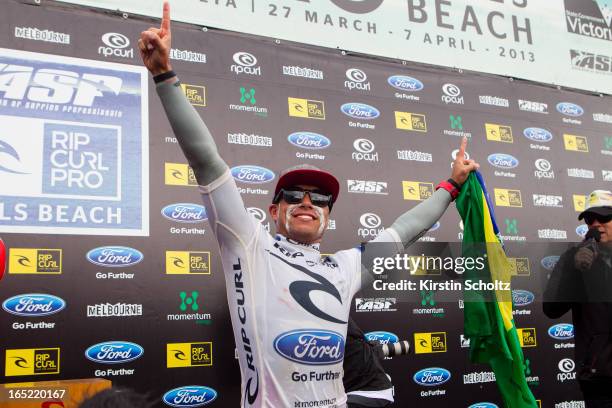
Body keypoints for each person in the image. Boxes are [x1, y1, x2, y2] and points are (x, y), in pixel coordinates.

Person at [138, 3, 479, 407]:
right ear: (272, 210)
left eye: (319, 198)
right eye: (293, 195)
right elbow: (207, 162)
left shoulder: (344, 268)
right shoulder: (248, 246)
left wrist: (452, 185)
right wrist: (164, 77)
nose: (306, 201)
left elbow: (407, 229)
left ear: (327, 218)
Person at [543, 190, 612, 407]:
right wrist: (575, 270)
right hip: (599, 379)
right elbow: (551, 308)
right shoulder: (572, 258)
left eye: (604, 217)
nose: (596, 223)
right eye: (590, 219)